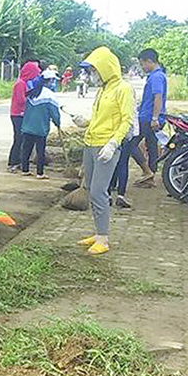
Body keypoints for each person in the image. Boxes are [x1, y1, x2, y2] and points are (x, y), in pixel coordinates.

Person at [77, 47, 133, 255]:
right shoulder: (103, 89)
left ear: (105, 68)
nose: (92, 75)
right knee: (91, 189)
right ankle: (98, 232)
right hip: (91, 143)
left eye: (94, 70)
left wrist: (113, 143)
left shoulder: (123, 89)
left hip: (106, 147)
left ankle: (103, 238)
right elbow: (101, 118)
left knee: (99, 191)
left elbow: (126, 120)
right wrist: (86, 122)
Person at [131, 48, 167, 187]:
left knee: (131, 144)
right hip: (150, 116)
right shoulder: (158, 75)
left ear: (149, 61)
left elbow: (158, 97)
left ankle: (147, 172)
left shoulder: (156, 77)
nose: (142, 67)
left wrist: (154, 118)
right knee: (152, 146)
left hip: (148, 118)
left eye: (142, 64)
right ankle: (150, 178)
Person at [21, 69, 61, 179]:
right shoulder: (50, 95)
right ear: (50, 81)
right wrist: (58, 123)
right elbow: (54, 112)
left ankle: (25, 169)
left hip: (27, 126)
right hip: (40, 128)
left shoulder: (33, 92)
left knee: (26, 148)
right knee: (40, 151)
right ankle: (40, 173)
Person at [8, 61, 42, 172]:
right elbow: (20, 101)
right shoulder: (20, 84)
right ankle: (13, 162)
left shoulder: (23, 83)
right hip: (18, 114)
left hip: (20, 114)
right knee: (19, 138)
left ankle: (18, 161)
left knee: (21, 138)